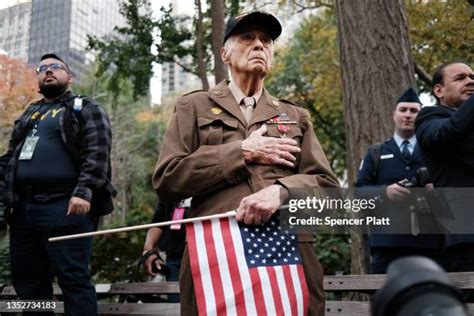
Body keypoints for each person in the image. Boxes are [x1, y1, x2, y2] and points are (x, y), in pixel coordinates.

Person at [153, 11, 339, 315]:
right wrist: (242, 152)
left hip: (287, 253)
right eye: (247, 38)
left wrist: (282, 191)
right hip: (215, 253)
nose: (259, 45)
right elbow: (167, 181)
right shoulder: (193, 106)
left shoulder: (295, 117)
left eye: (266, 40)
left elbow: (329, 189)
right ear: (225, 53)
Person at [0, 53, 116, 316]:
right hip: (24, 210)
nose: (48, 71)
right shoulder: (30, 113)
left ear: (69, 77)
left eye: (56, 67)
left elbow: (98, 151)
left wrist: (84, 191)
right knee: (28, 285)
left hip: (67, 206)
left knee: (73, 279)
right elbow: (10, 159)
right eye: (42, 69)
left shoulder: (84, 107)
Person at [356, 87, 445, 274]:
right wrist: (384, 192)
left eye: (414, 111)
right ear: (393, 114)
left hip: (431, 244)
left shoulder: (434, 152)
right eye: (403, 110)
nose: (408, 115)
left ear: (421, 116)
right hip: (387, 244)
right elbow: (359, 193)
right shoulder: (375, 153)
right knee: (387, 300)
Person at [415, 62, 474, 272]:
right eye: (460, 78)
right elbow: (451, 131)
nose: (470, 82)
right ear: (439, 90)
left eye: (472, 77)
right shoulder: (429, 117)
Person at [141, 199, 188, 302]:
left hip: (207, 257)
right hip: (175, 261)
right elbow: (158, 220)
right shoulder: (171, 189)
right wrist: (148, 250)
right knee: (177, 307)